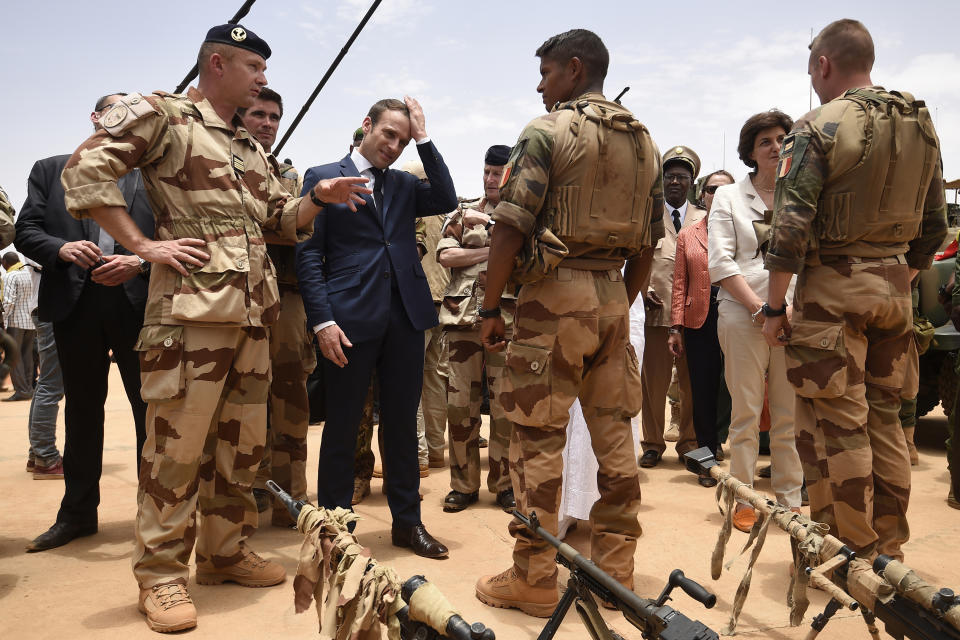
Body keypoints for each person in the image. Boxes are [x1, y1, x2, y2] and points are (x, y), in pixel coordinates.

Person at [58, 24, 370, 632]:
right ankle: (161, 575)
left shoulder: (247, 147)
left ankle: (224, 552)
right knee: (175, 447)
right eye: (254, 67)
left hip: (255, 315)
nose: (263, 79)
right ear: (218, 63)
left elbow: (279, 221)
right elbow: (86, 172)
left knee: (241, 446)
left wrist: (318, 198)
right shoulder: (165, 116)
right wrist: (143, 244)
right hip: (190, 318)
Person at [474, 29, 661, 617]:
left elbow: (508, 226)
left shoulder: (546, 131)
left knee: (536, 442)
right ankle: (617, 575)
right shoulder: (643, 140)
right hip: (611, 295)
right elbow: (651, 243)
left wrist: (489, 308)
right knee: (615, 441)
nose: (541, 84)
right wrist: (618, 299)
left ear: (574, 70)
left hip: (553, 300)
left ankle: (533, 576)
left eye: (548, 72)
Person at [762, 19, 947, 561]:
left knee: (834, 424)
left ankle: (849, 553)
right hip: (894, 288)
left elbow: (791, 229)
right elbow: (933, 228)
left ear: (823, 65)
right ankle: (888, 546)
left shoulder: (817, 126)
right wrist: (894, 276)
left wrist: (775, 308)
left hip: (830, 294)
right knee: (886, 422)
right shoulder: (919, 124)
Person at [297, 96, 457, 559]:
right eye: (389, 133)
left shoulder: (406, 185)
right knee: (343, 424)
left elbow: (445, 197)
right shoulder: (323, 177)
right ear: (366, 125)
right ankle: (334, 530)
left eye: (402, 139)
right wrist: (322, 319)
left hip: (405, 316)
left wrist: (423, 138)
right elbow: (309, 253)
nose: (393, 145)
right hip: (348, 318)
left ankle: (407, 523)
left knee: (403, 425)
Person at [16, 93, 155, 549]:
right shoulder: (49, 169)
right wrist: (60, 249)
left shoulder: (153, 174)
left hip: (137, 306)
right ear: (95, 118)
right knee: (81, 410)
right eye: (113, 113)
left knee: (149, 412)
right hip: (74, 305)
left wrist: (140, 261)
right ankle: (77, 514)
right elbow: (26, 230)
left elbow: (173, 237)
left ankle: (154, 518)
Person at [708, 109, 804, 533]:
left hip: (794, 318)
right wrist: (761, 309)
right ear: (750, 150)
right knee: (746, 412)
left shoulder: (800, 193)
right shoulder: (729, 197)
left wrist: (787, 311)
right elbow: (720, 261)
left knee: (789, 414)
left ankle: (789, 500)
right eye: (764, 140)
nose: (775, 145)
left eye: (782, 138)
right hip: (742, 314)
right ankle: (743, 497)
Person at [239, 87, 318, 527]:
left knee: (290, 397)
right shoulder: (226, 164)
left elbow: (299, 229)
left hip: (286, 300)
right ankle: (247, 496)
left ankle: (293, 500)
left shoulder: (290, 176)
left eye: (274, 117)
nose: (267, 123)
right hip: (236, 300)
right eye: (258, 114)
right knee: (243, 403)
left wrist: (264, 225)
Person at [436, 144, 516, 512]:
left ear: (511, 174)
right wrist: (492, 252)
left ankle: (504, 484)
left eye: (497, 173)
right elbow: (445, 255)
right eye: (486, 171)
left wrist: (493, 235)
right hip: (461, 318)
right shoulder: (463, 212)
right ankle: (462, 485)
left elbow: (529, 256)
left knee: (505, 408)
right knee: (459, 405)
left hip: (506, 319)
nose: (489, 179)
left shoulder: (521, 215)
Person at [669, 169, 735, 487]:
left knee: (739, 388)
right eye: (711, 189)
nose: (717, 195)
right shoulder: (688, 235)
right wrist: (674, 327)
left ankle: (741, 461)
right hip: (700, 321)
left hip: (739, 316)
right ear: (702, 194)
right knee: (703, 391)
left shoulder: (747, 232)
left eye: (725, 190)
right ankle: (707, 458)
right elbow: (680, 283)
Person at [638, 146, 703, 468]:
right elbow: (634, 258)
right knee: (653, 383)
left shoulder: (704, 218)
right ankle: (652, 443)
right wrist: (643, 288)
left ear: (693, 181)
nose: (675, 181)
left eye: (682, 176)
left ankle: (690, 442)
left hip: (695, 315)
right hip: (656, 312)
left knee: (692, 382)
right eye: (669, 176)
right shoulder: (646, 214)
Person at [25, 256, 65, 480]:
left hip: (44, 306)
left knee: (46, 384)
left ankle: (37, 453)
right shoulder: (37, 225)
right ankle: (46, 458)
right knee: (51, 385)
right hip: (51, 307)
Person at [1, 252, 36, 402]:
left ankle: (22, 391)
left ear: (6, 263)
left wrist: (3, 320)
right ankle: (28, 388)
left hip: (15, 322)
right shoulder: (28, 273)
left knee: (14, 356)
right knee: (27, 355)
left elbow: (8, 302)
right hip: (30, 321)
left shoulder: (10, 276)